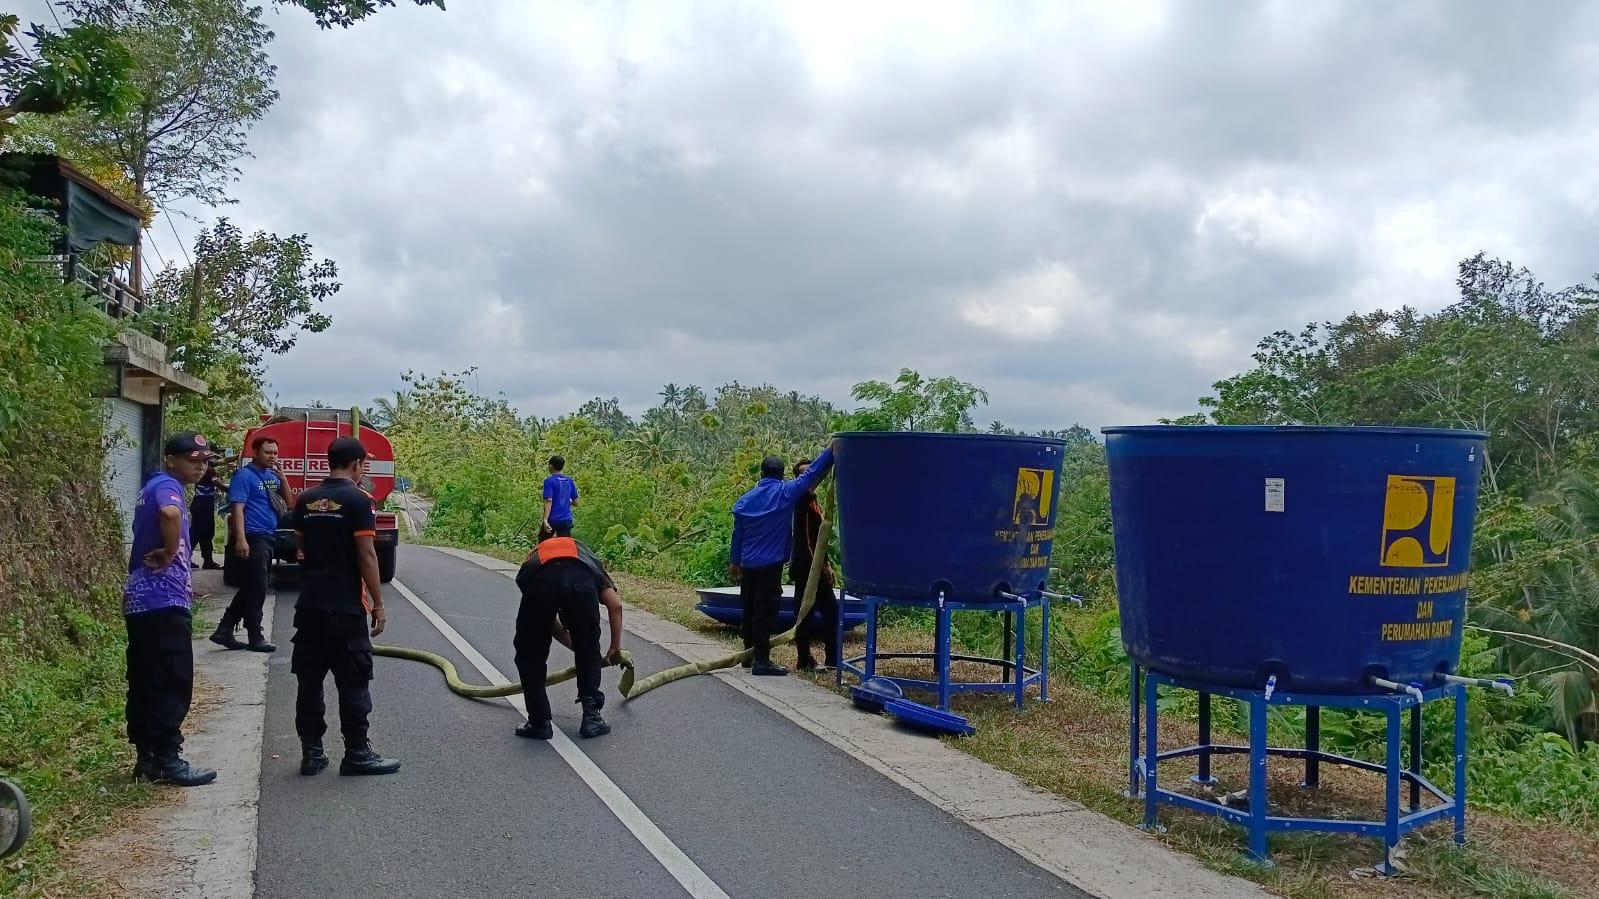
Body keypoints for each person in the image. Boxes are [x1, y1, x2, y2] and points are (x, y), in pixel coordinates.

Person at [289, 436, 401, 776]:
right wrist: (378, 604)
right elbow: (367, 556)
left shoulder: (305, 500)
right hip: (345, 607)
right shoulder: (359, 501)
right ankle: (356, 753)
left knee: (309, 681)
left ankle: (311, 753)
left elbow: (299, 544)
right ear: (356, 464)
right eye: (364, 464)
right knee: (353, 680)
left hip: (309, 604)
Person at [125, 432, 218, 787]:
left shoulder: (151, 486)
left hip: (141, 599)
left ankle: (147, 757)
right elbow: (169, 512)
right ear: (170, 459)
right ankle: (167, 759)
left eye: (205, 460)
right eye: (193, 460)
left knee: (145, 677)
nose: (201, 466)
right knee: (171, 677)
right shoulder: (168, 486)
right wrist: (168, 550)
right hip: (163, 598)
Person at [729, 443, 835, 676]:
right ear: (781, 474)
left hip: (748, 564)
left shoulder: (745, 500)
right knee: (765, 612)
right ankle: (762, 662)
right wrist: (831, 450)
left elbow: (738, 534)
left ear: (762, 474)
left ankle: (748, 655)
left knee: (749, 609)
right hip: (770, 566)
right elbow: (812, 473)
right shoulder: (785, 493)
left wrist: (735, 561)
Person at [513, 534, 624, 740]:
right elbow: (615, 605)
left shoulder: (532, 559)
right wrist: (612, 647)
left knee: (529, 655)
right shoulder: (588, 559)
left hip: (540, 582)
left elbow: (544, 622)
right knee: (589, 648)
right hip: (581, 584)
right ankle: (592, 719)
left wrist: (576, 645)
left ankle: (539, 722)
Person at [213, 436, 288, 652]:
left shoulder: (272, 476)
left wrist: (283, 479)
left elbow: (288, 502)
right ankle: (255, 635)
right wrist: (241, 539)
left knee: (251, 587)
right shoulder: (244, 476)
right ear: (255, 452)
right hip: (253, 536)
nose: (272, 457)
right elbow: (237, 509)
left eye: (275, 453)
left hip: (268, 535)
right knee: (257, 588)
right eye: (268, 452)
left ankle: (225, 629)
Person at [789, 458, 840, 671]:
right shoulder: (802, 498)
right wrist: (821, 566)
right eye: (804, 474)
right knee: (812, 611)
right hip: (807, 565)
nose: (810, 476)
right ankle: (811, 659)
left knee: (821, 610)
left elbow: (818, 537)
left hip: (812, 564)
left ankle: (826, 659)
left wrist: (826, 563)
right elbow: (809, 542)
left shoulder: (812, 500)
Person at [189, 459, 222, 570]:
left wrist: (238, 456)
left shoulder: (203, 465)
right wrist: (235, 491)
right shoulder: (209, 470)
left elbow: (223, 460)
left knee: (196, 533)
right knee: (206, 534)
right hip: (204, 507)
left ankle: (185, 557)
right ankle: (208, 561)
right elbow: (220, 485)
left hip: (198, 505)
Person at [542, 455, 579, 538]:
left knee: (545, 544)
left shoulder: (549, 481)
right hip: (566, 520)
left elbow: (548, 500)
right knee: (564, 544)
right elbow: (576, 503)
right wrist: (567, 500)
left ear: (551, 466)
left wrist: (545, 519)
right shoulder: (569, 481)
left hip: (552, 519)